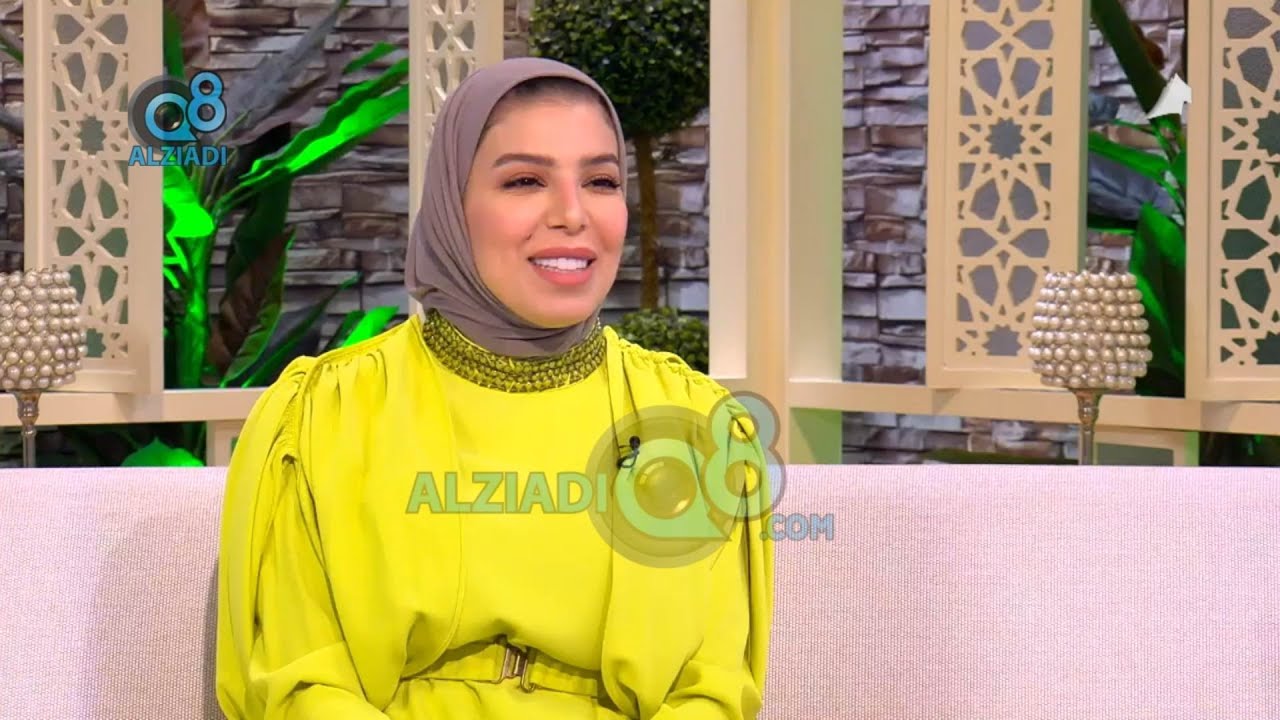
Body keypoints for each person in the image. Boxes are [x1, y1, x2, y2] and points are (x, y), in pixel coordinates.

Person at [214, 56, 774, 720]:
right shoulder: (326, 415)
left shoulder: (694, 424)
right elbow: (301, 686)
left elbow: (712, 692)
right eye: (526, 181)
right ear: (453, 205)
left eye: (600, 181)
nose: (572, 215)